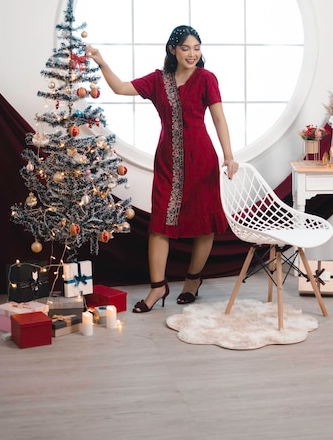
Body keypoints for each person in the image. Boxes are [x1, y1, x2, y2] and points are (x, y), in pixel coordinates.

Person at [86, 25, 238, 313]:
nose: (192, 54)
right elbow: (120, 88)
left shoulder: (206, 79)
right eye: (185, 48)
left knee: (204, 224)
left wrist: (228, 156)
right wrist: (102, 62)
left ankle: (193, 282)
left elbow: (219, 119)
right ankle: (158, 288)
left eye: (197, 48)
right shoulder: (158, 80)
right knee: (160, 226)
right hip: (168, 161)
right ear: (172, 50)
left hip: (201, 159)